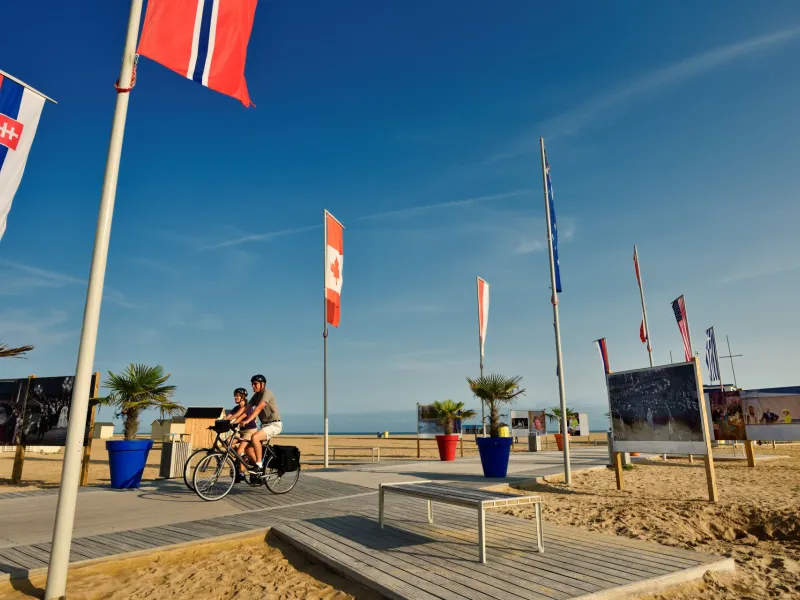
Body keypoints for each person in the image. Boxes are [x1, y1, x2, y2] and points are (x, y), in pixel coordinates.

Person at [239, 374, 282, 472]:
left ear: (262, 384)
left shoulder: (267, 393)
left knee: (255, 437)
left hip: (274, 425)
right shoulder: (256, 396)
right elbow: (246, 409)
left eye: (255, 384)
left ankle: (259, 464)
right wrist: (233, 421)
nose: (253, 386)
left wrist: (247, 420)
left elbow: (259, 408)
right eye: (252, 384)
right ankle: (259, 471)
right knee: (248, 449)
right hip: (265, 426)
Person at [225, 388, 257, 482]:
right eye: (235, 395)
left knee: (239, 450)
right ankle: (242, 457)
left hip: (249, 431)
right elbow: (229, 416)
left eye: (238, 396)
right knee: (227, 442)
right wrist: (218, 422)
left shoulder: (248, 406)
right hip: (241, 431)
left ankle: (242, 471)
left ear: (243, 397)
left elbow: (239, 417)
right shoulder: (236, 408)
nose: (235, 397)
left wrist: (231, 423)